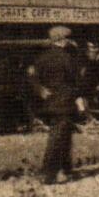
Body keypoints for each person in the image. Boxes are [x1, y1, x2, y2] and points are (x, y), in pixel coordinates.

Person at [28, 25, 83, 184]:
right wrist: (80, 101)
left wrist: (41, 91)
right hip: (64, 102)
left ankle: (65, 169)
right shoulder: (68, 58)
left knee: (62, 134)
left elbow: (33, 78)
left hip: (48, 102)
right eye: (68, 39)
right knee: (59, 137)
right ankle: (49, 173)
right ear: (62, 40)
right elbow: (75, 81)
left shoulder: (41, 58)